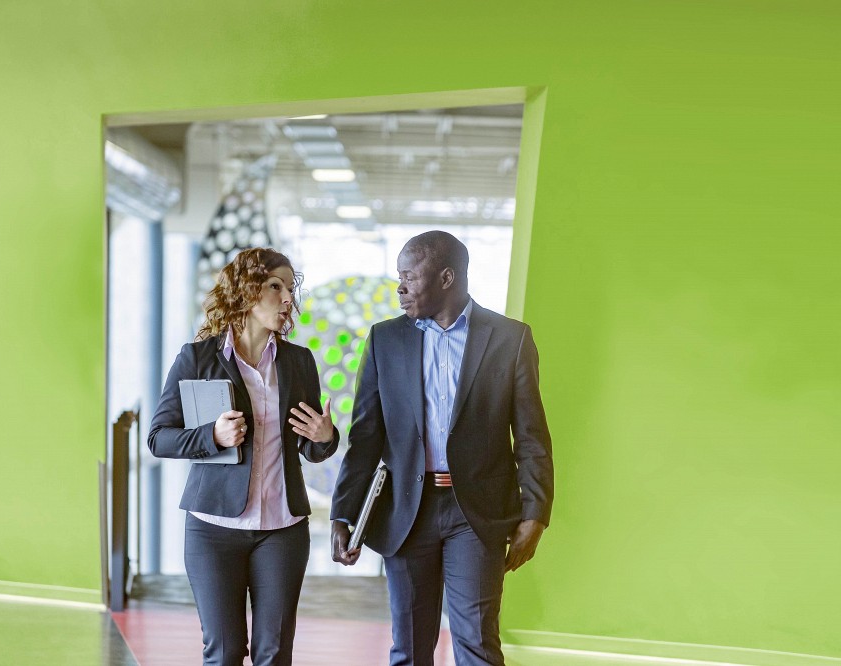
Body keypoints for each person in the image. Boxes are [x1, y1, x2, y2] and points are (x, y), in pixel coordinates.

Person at [330, 231, 553, 666]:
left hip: (477, 513)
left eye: (409, 277)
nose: (400, 288)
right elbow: (365, 437)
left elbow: (531, 436)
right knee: (410, 649)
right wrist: (344, 512)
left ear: (447, 277)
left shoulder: (510, 339)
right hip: (406, 510)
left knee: (478, 646)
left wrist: (536, 512)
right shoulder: (384, 339)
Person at [149, 247, 339, 666]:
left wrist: (325, 437)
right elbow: (159, 438)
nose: (287, 298)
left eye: (290, 289)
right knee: (225, 652)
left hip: (283, 530)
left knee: (275, 653)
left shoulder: (298, 361)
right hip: (213, 530)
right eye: (275, 286)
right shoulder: (197, 358)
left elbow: (312, 446)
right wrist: (212, 436)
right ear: (246, 290)